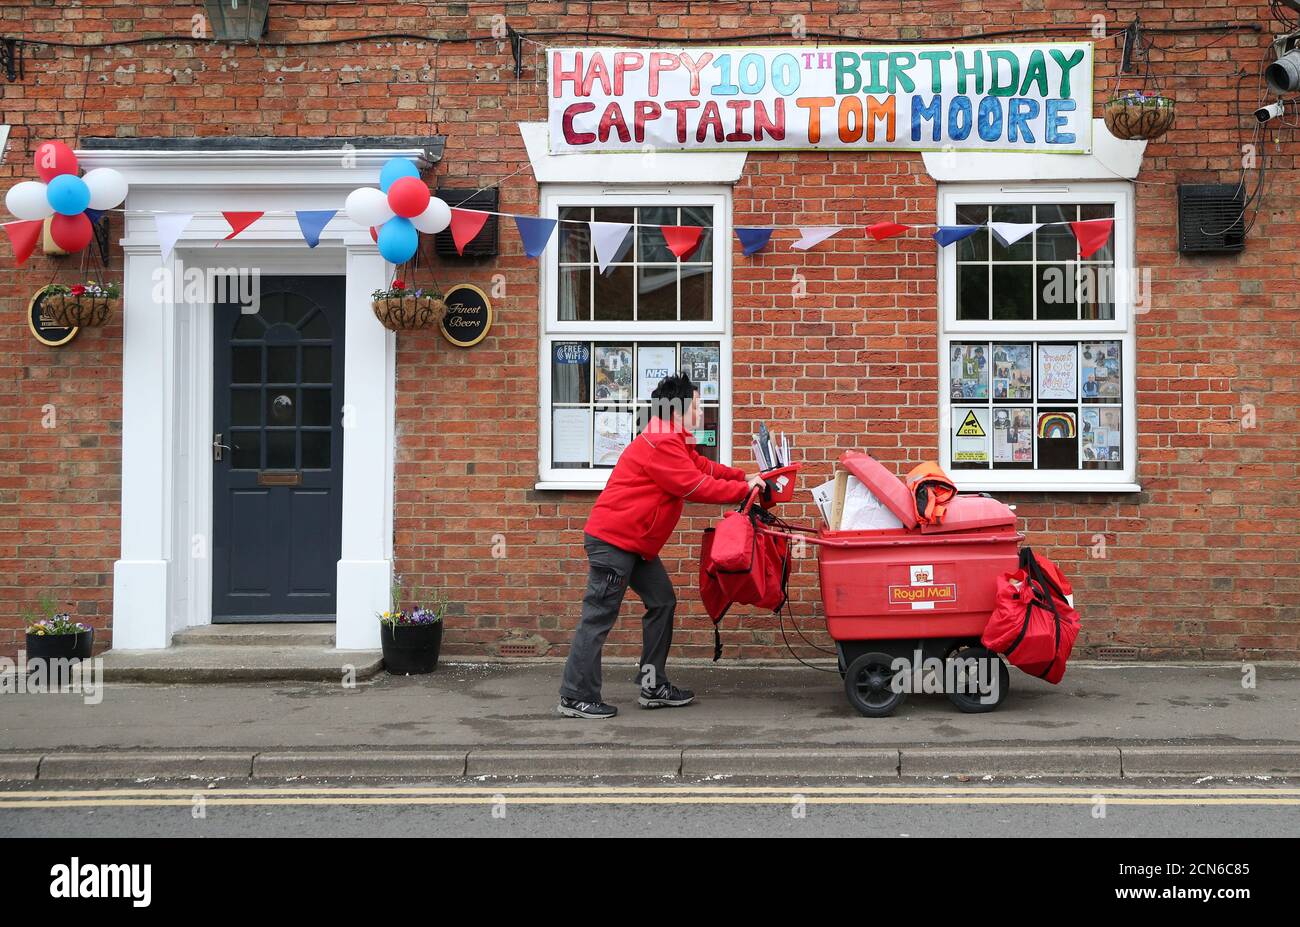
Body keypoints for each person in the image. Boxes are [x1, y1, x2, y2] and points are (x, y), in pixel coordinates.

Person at [558, 373, 766, 720]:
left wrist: (742, 477)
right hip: (614, 542)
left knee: (662, 602)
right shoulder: (662, 441)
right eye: (697, 406)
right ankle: (575, 695)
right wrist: (743, 491)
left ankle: (652, 685)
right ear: (677, 409)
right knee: (598, 617)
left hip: (635, 544)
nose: (701, 413)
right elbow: (694, 486)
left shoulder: (674, 440)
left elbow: (703, 467)